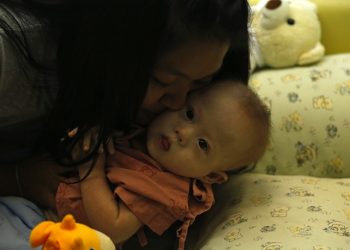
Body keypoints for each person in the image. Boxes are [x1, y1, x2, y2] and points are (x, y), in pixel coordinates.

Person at [0, 0, 251, 249]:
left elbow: (114, 228)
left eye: (200, 83)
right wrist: (20, 177)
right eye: (162, 81)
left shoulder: (176, 171)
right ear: (112, 51)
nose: (177, 103)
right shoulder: (15, 55)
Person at [55, 81, 271, 250]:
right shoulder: (142, 129)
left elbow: (114, 227)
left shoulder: (167, 188)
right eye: (189, 114)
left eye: (202, 144)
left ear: (211, 176)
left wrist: (90, 169)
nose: (182, 133)